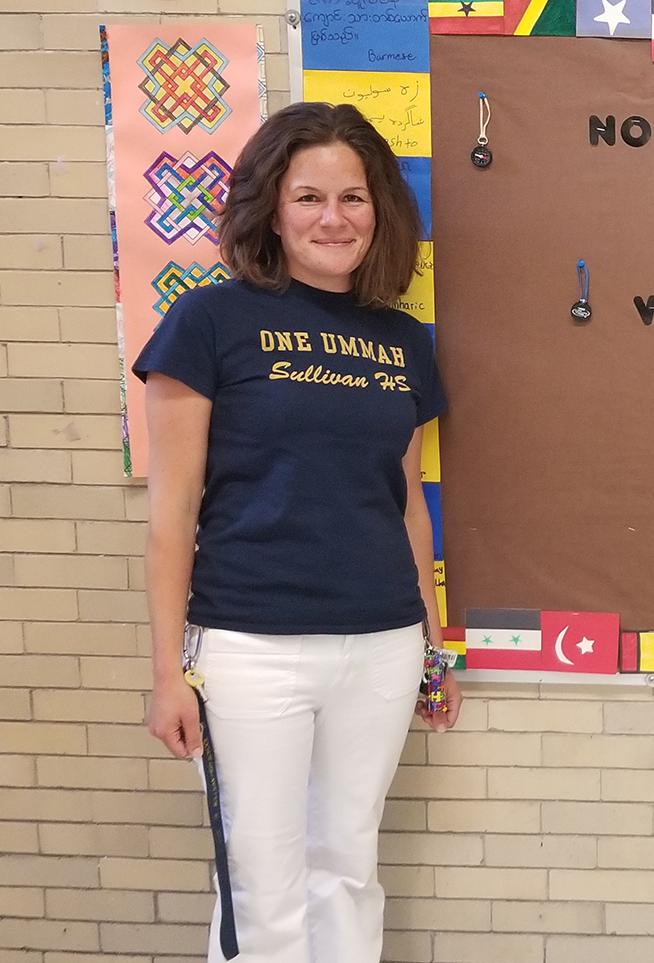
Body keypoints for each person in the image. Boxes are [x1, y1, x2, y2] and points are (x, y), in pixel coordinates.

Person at [138, 101, 461, 963]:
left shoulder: (402, 342)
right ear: (271, 211)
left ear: (379, 211)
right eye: (309, 197)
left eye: (353, 198)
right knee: (264, 878)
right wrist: (167, 672)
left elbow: (405, 501)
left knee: (349, 865)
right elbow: (170, 511)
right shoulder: (208, 322)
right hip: (251, 646)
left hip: (383, 644)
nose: (333, 218)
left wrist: (433, 646)